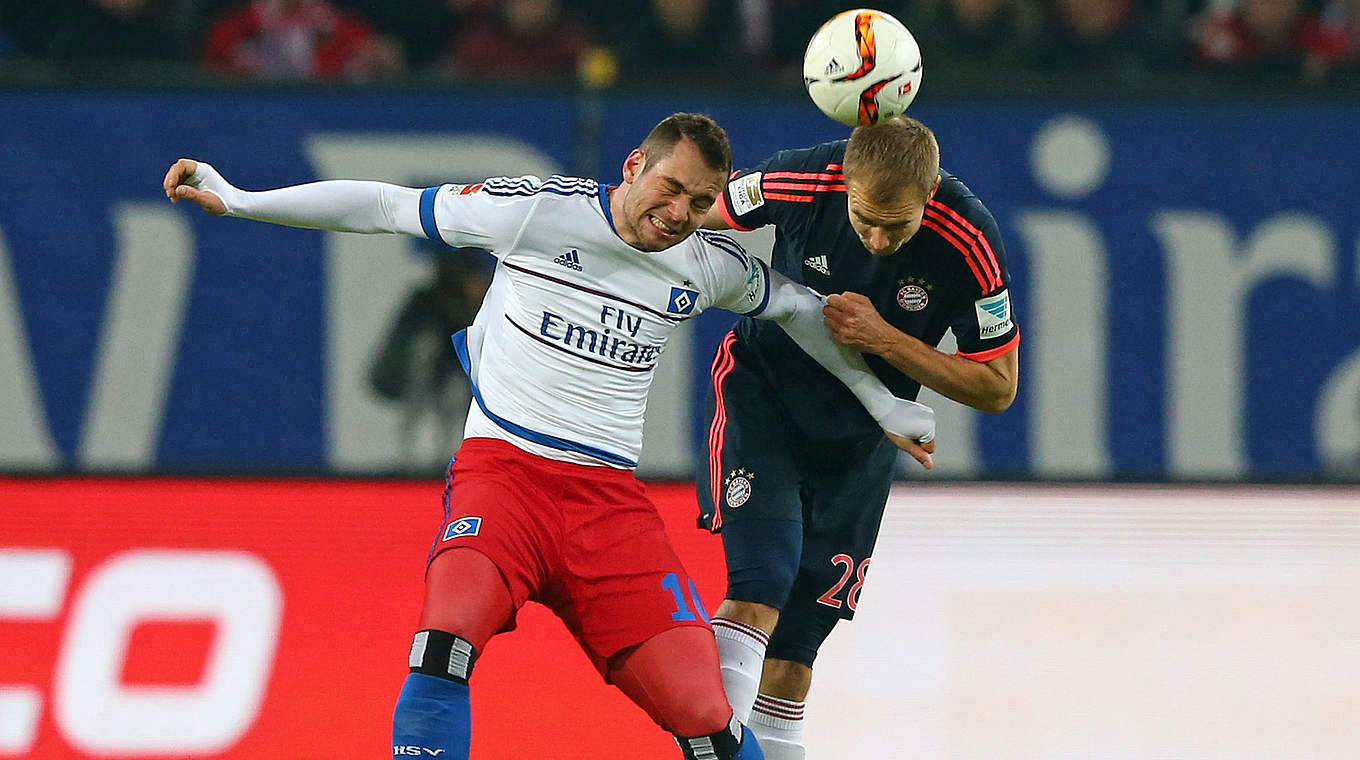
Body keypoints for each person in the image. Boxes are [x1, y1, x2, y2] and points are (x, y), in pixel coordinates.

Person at [162, 112, 936, 760]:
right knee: (444, 643)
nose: (678, 213)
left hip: (609, 510)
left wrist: (883, 401)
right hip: (506, 482)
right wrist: (239, 198)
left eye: (700, 202)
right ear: (634, 167)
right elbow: (386, 207)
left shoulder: (706, 265)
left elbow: (801, 308)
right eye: (669, 188)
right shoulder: (535, 210)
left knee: (707, 719)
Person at [696, 115, 1019, 759]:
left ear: (930, 196)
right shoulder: (797, 178)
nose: (873, 239)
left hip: (861, 440)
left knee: (795, 653)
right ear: (843, 183)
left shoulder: (972, 242)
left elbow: (998, 386)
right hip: (767, 397)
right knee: (759, 587)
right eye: (863, 217)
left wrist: (884, 339)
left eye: (894, 226)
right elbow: (702, 214)